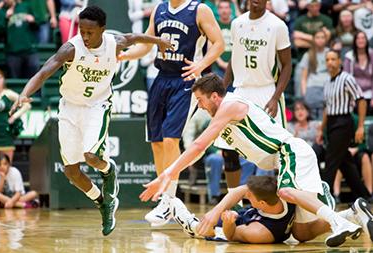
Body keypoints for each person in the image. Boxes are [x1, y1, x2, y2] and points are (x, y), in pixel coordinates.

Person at [140, 73, 370, 247]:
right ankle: (351, 214)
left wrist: (166, 174)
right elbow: (200, 151)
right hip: (281, 160)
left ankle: (338, 222)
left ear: (214, 96)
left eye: (200, 100)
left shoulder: (230, 106)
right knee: (300, 233)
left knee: (286, 193)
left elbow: (199, 144)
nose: (199, 105)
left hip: (287, 151)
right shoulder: (223, 117)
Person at [10, 6, 173, 236]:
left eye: (90, 32)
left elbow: (134, 37)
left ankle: (109, 170)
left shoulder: (113, 42)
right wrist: (25, 93)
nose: (85, 37)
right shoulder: (71, 48)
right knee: (71, 172)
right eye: (82, 31)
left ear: (102, 30)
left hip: (97, 106)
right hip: (69, 107)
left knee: (91, 156)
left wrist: (158, 41)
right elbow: (44, 72)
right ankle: (103, 202)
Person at [118, 0, 225, 227]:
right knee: (156, 141)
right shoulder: (159, 9)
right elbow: (147, 44)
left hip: (185, 81)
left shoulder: (200, 9)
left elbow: (219, 44)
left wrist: (201, 65)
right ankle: (166, 201)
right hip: (161, 78)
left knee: (170, 139)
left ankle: (167, 200)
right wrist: (124, 56)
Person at [217, 0, 292, 203]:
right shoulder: (237, 23)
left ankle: (282, 203)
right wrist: (223, 89)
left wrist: (276, 97)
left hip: (267, 92)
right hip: (240, 91)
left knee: (279, 152)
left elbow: (286, 65)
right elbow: (235, 58)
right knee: (228, 149)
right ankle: (235, 204)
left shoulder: (277, 26)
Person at [171, 175, 296, 243]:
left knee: (208, 229)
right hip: (251, 213)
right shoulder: (282, 194)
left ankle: (191, 225)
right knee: (225, 209)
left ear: (262, 202)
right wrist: (216, 211)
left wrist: (228, 223)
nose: (246, 195)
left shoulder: (258, 233)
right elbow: (241, 190)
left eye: (249, 196)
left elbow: (231, 235)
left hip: (237, 227)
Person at [317, 49, 372, 201]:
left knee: (331, 161)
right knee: (345, 163)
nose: (330, 62)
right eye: (327, 59)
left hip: (343, 123)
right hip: (331, 124)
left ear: (340, 61)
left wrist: (360, 126)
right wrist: (322, 129)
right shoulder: (327, 82)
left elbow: (361, 100)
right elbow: (327, 108)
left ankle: (323, 197)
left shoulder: (347, 79)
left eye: (333, 59)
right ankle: (365, 195)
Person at [0, 0, 40, 79]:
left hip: (30, 50)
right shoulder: (1, 12)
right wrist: (6, 18)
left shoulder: (25, 6)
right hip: (12, 52)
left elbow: (38, 24)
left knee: (35, 78)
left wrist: (33, 21)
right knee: (15, 81)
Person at [299, 29, 330, 119]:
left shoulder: (330, 53)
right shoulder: (308, 55)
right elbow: (303, 77)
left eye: (322, 37)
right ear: (314, 39)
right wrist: (304, 93)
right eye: (317, 37)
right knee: (312, 118)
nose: (320, 40)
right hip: (312, 88)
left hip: (327, 87)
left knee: (325, 116)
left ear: (326, 39)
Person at [343, 31, 373, 113]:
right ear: (355, 41)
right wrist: (351, 97)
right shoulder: (349, 56)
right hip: (355, 94)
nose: (361, 40)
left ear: (366, 40)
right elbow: (346, 79)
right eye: (358, 38)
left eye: (363, 38)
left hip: (370, 93)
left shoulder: (371, 54)